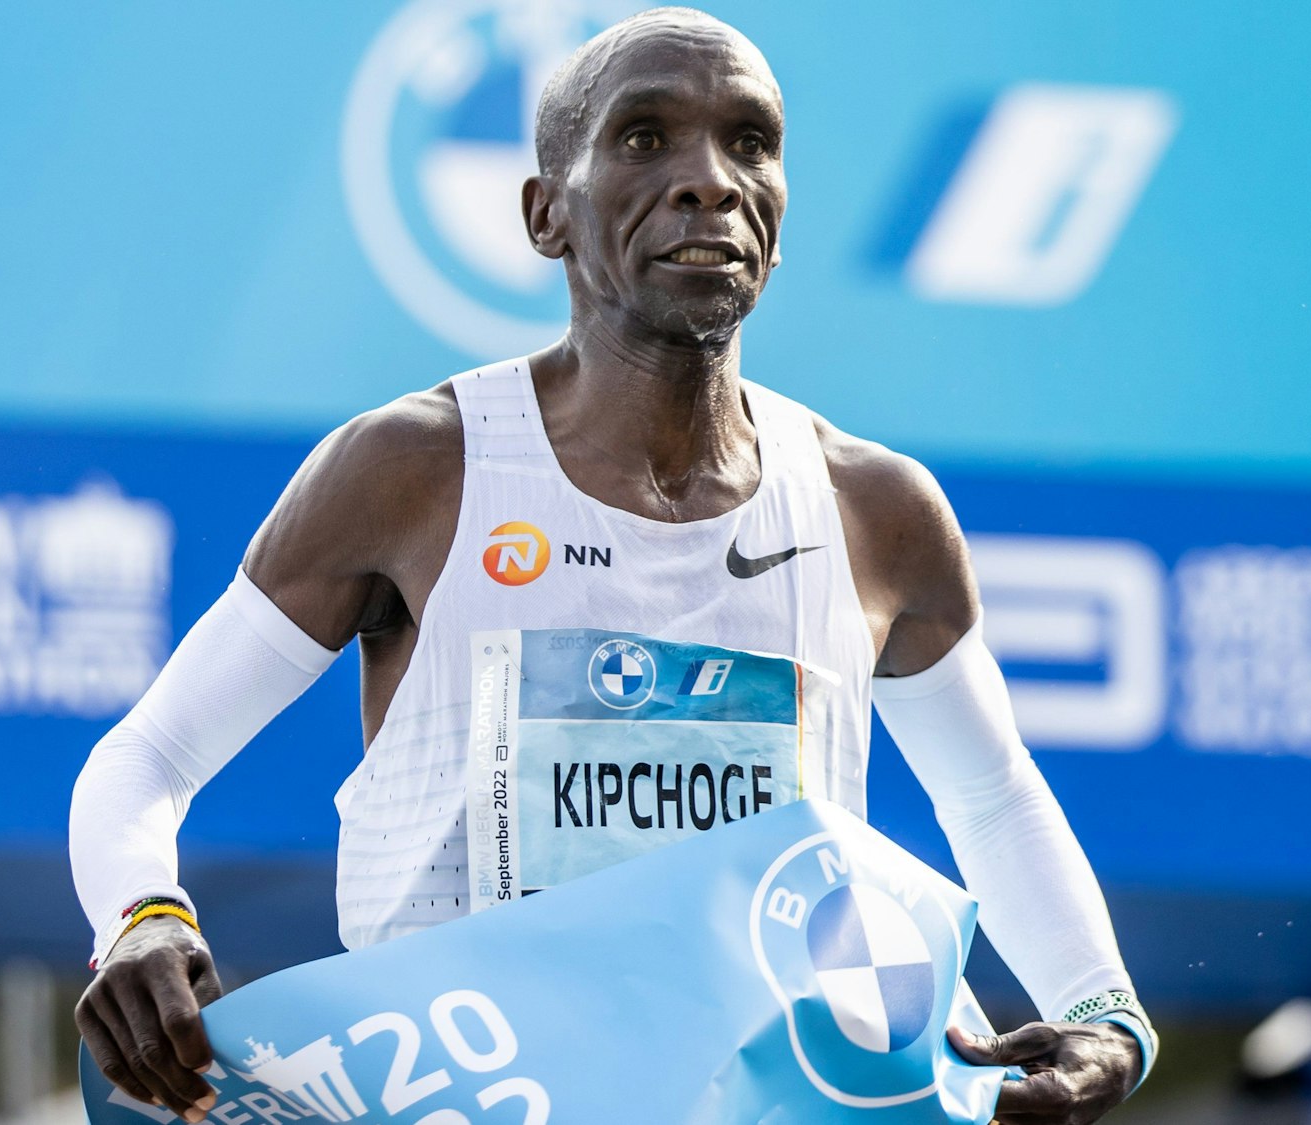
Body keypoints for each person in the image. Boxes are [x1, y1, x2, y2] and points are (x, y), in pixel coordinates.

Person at [70, 8, 1154, 1123]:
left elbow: (992, 798)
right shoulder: (414, 470)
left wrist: (1106, 1016)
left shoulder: (874, 511)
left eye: (749, 142)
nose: (708, 180)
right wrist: (145, 917)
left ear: (778, 215)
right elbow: (148, 755)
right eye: (644, 138)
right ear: (545, 212)